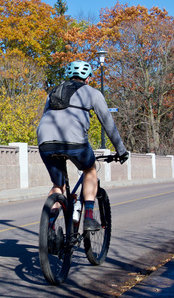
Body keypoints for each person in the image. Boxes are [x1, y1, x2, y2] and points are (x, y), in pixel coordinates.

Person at [37, 60, 129, 231]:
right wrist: (121, 151)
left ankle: (47, 228)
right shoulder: (92, 93)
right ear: (87, 78)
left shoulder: (54, 92)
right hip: (75, 142)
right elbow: (108, 124)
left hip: (45, 141)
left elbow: (45, 116)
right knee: (89, 169)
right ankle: (88, 217)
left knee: (59, 186)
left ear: (70, 76)